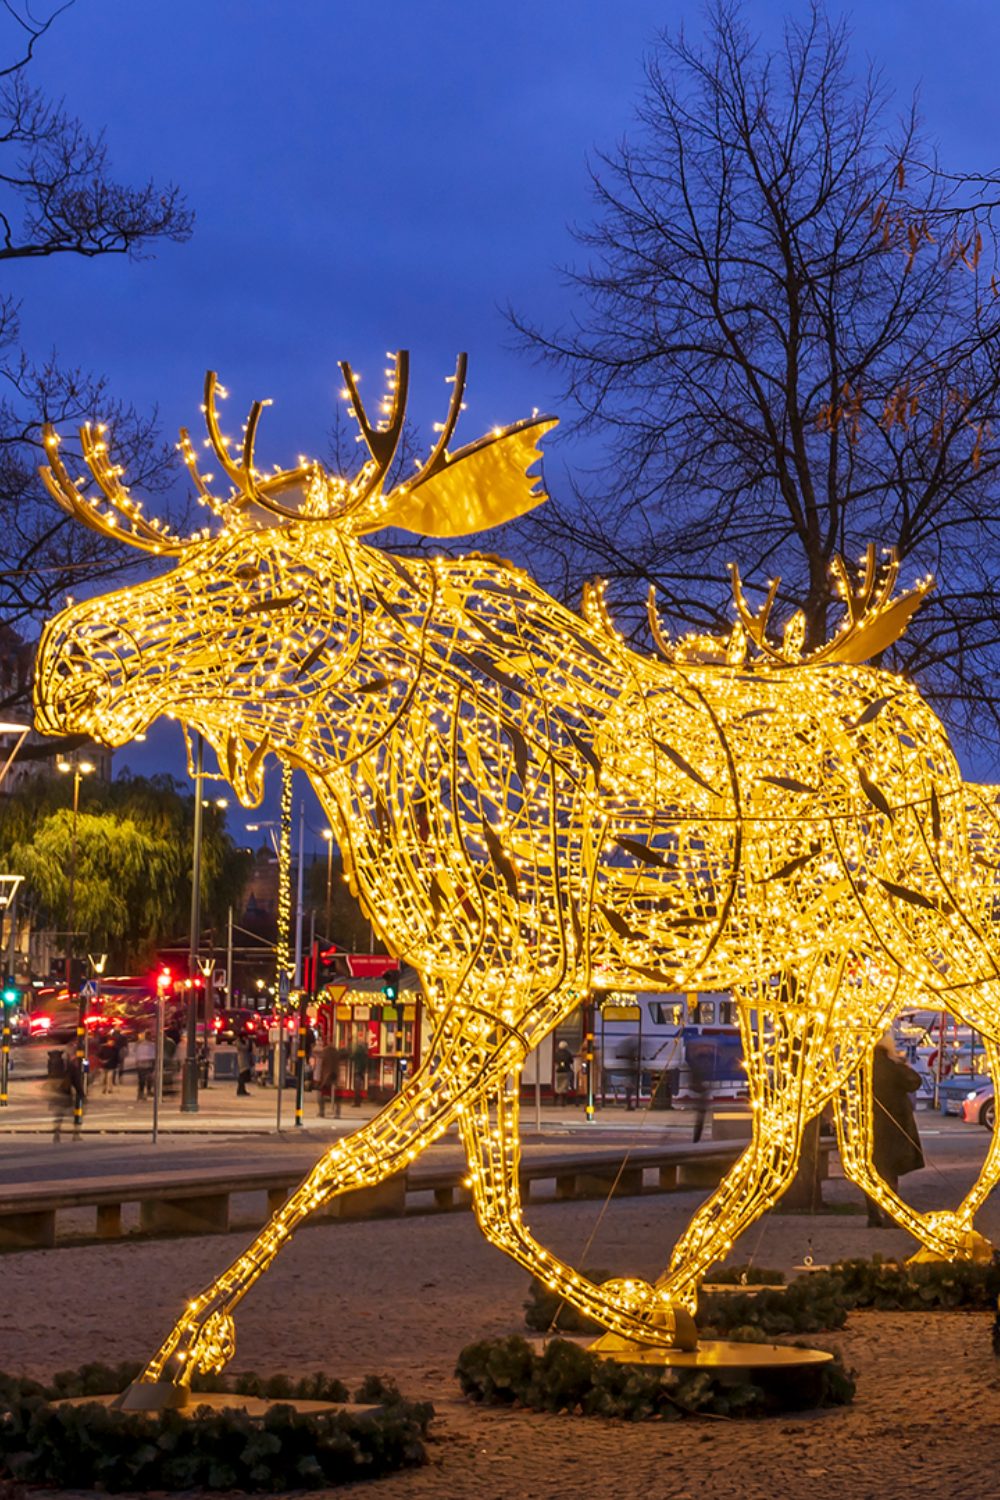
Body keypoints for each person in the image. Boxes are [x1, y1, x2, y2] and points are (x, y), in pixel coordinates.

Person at [867, 1033, 925, 1226]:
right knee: (889, 1173)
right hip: (892, 1126)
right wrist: (903, 1064)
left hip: (869, 1125)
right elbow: (915, 1082)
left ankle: (874, 1216)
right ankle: (891, 1216)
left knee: (871, 1172)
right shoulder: (892, 1067)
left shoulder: (864, 1068)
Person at [317, 1041, 341, 1118]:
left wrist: (319, 1079)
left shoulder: (324, 1052)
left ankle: (321, 1112)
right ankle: (337, 1113)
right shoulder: (336, 1052)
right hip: (335, 1075)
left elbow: (321, 1066)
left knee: (320, 1094)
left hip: (326, 1077)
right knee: (336, 1095)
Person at [135, 1032, 155, 1100]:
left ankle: (141, 1093)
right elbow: (153, 1055)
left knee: (142, 1080)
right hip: (147, 1064)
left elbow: (136, 1053)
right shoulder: (151, 1045)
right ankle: (144, 1092)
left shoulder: (140, 1044)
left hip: (141, 1064)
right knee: (147, 1079)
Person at [553, 1041, 574, 1106]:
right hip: (566, 1071)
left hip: (558, 1071)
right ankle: (563, 1101)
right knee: (565, 1086)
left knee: (559, 1085)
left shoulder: (556, 1053)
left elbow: (555, 1060)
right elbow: (571, 1061)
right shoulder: (568, 1053)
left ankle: (555, 1100)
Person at [350, 1037, 369, 1107]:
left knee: (357, 1087)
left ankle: (357, 1102)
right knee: (359, 1086)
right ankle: (358, 1101)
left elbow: (352, 1057)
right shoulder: (364, 1050)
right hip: (361, 1070)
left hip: (358, 1070)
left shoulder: (358, 1050)